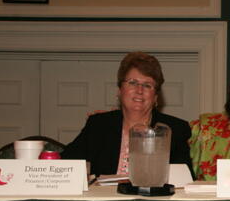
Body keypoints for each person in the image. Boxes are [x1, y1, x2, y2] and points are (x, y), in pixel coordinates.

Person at [61, 52, 192, 176]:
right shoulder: (98, 125)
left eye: (147, 85)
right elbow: (65, 165)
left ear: (156, 96)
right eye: (132, 83)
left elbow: (185, 179)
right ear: (119, 90)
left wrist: (152, 139)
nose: (139, 90)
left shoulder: (175, 129)